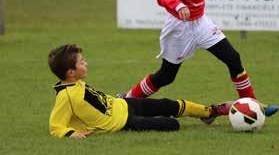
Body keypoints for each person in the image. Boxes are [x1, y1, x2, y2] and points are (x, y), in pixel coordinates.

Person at [118, 0, 278, 116]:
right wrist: (177, 5)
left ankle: (253, 105)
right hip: (179, 27)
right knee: (166, 76)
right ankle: (127, 100)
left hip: (201, 23)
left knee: (233, 58)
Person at [48, 44, 230, 139]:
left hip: (125, 104)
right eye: (81, 62)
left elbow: (92, 104)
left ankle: (209, 112)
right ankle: (185, 119)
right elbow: (56, 125)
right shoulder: (65, 96)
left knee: (167, 104)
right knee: (169, 125)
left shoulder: (75, 83)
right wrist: (72, 134)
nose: (85, 63)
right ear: (71, 73)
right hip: (124, 122)